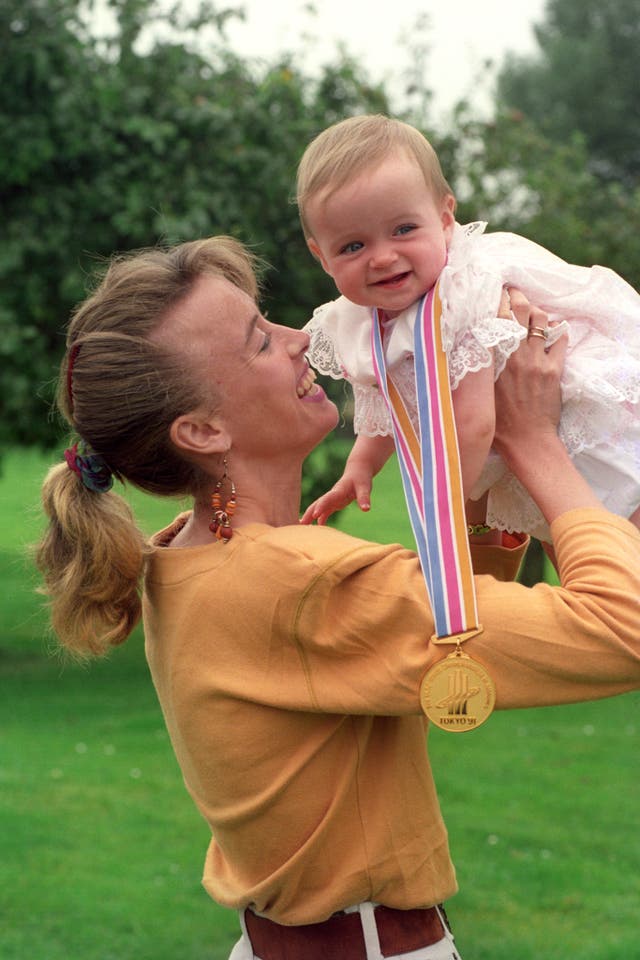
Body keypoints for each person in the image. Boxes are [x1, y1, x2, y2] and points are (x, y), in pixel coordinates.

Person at [36, 235, 640, 960]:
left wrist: (479, 463)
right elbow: (622, 628)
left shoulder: (186, 557)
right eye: (260, 342)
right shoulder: (293, 582)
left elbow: (450, 620)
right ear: (201, 430)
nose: (299, 341)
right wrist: (535, 441)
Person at [297, 114, 640, 540]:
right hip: (534, 452)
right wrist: (360, 466)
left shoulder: (461, 294)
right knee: (578, 556)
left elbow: (475, 423)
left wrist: (444, 506)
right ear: (322, 257)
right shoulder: (363, 318)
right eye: (353, 246)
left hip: (585, 427)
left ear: (444, 219)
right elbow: (391, 402)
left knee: (620, 543)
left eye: (403, 229)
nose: (382, 257)